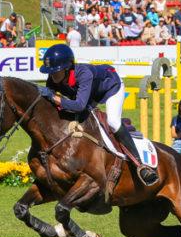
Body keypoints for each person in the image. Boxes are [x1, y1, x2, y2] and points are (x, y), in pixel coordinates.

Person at [38, 44, 158, 185]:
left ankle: (140, 164)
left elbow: (79, 105)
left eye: (55, 72)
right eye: (50, 72)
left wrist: (55, 98)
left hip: (111, 87)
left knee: (113, 122)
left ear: (67, 67)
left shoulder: (84, 74)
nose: (52, 76)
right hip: (89, 94)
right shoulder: (53, 78)